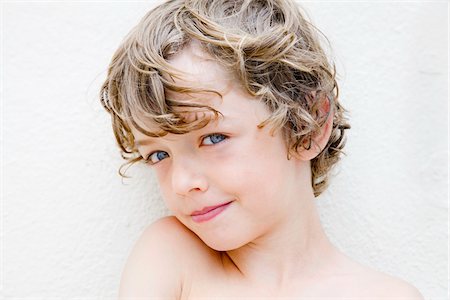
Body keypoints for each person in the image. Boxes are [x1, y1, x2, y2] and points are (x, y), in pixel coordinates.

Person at [100, 0, 424, 298]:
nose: (181, 183)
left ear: (306, 125)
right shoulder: (171, 256)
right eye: (158, 155)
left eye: (213, 138)